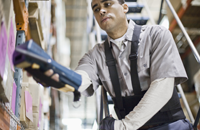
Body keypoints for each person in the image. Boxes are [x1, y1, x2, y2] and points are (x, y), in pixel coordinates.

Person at [30, 0, 193, 129]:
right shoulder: (95, 55)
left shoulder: (157, 35)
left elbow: (162, 88)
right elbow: (81, 79)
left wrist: (124, 126)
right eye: (96, 8)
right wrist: (57, 78)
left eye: (107, 4)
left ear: (125, 8)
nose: (101, 10)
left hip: (172, 126)